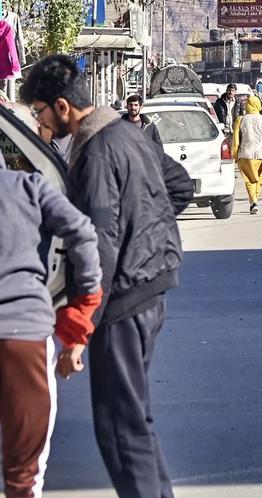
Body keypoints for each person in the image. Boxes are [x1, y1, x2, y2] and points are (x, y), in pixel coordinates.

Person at [21, 54, 193, 498]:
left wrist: (79, 331)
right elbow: (179, 186)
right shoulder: (127, 133)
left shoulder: (96, 150)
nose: (39, 121)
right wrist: (146, 234)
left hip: (123, 300)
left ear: (61, 107)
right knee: (134, 422)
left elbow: (99, 243)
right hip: (152, 287)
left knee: (119, 430)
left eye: (39, 112)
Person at [0, 152, 102, 498]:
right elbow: (82, 231)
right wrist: (86, 294)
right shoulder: (28, 187)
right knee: (24, 470)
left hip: (24, 328)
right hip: (24, 331)